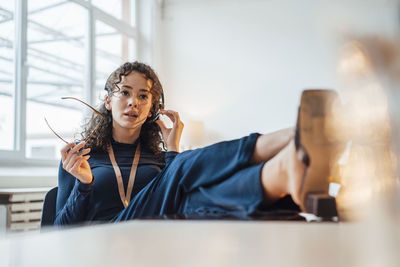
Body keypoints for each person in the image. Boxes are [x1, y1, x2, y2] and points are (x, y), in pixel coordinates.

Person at [54, 61, 307, 225]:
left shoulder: (155, 156)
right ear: (108, 101)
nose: (134, 102)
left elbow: (175, 196)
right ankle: (290, 139)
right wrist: (84, 184)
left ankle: (279, 176)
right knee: (185, 171)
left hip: (155, 235)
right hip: (104, 237)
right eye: (125, 92)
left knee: (196, 199)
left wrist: (172, 150)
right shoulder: (81, 156)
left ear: (153, 107)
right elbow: (60, 230)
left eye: (143, 96)